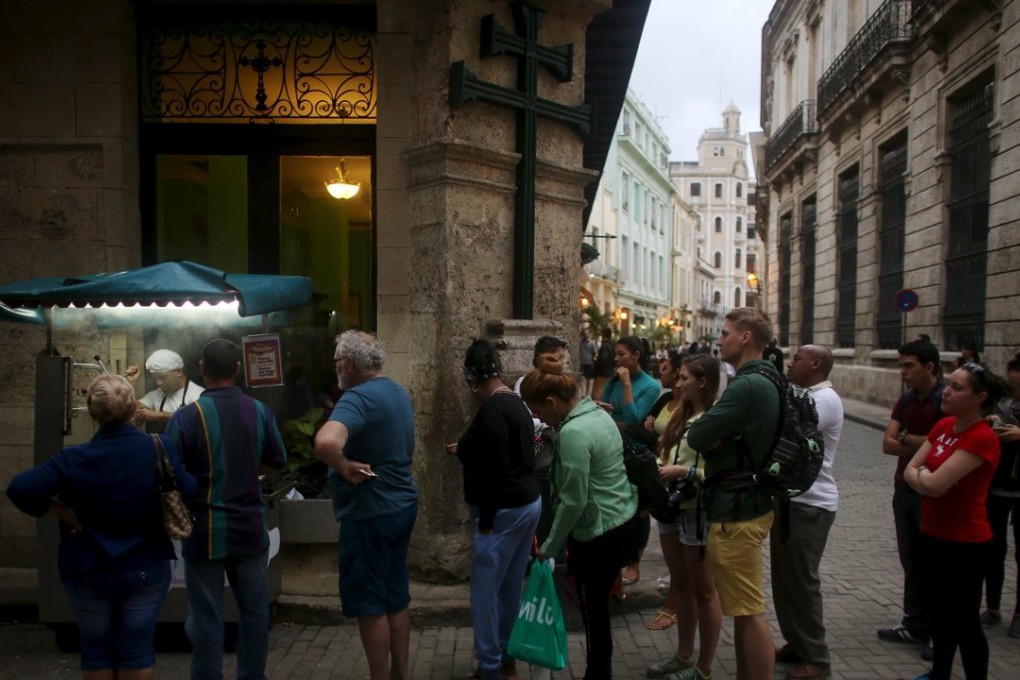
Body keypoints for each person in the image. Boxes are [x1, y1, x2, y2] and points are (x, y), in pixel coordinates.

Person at [7, 373, 196, 680]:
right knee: (136, 651)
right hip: (146, 564)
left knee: (95, 652)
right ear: (134, 406)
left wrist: (62, 512)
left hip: (86, 566)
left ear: (91, 411)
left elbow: (20, 489)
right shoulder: (159, 447)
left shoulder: (72, 458)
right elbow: (190, 490)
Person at [166, 339, 286, 680]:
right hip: (249, 530)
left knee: (205, 616)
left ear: (201, 369)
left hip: (204, 533)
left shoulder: (187, 418)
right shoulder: (260, 412)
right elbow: (278, 461)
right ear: (238, 369)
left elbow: (169, 471)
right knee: (254, 612)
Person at [521, 353, 641, 680]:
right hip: (618, 521)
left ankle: (597, 674)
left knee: (593, 615)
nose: (538, 418)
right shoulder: (597, 413)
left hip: (597, 534)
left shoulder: (573, 432)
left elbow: (573, 501)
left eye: (538, 411)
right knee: (598, 612)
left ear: (552, 402)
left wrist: (549, 546)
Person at [314, 331, 419, 680]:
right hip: (401, 504)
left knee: (370, 604)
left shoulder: (355, 398)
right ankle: (400, 674)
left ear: (348, 364)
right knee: (395, 595)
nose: (336, 370)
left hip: (370, 511)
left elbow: (327, 441)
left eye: (335, 363)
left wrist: (342, 466)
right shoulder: (396, 391)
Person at [686, 307, 781, 680]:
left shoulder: (747, 385)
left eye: (725, 333)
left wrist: (715, 435)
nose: (719, 339)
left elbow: (697, 434)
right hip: (748, 502)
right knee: (743, 610)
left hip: (737, 511)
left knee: (748, 610)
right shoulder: (768, 376)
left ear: (745, 338)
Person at [904, 362, 1005, 680]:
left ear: (980, 397)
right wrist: (925, 477)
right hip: (933, 534)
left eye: (958, 387)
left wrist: (924, 477)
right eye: (949, 383)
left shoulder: (982, 437)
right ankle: (939, 673)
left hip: (966, 544)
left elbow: (933, 484)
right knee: (940, 618)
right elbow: (912, 470)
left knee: (964, 623)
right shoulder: (944, 426)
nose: (946, 390)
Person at [448, 340, 541, 680]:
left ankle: (490, 667)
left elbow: (492, 471)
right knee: (510, 586)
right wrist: (467, 449)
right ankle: (506, 655)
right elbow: (512, 452)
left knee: (485, 594)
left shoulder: (490, 411)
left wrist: (485, 523)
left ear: (472, 380)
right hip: (527, 503)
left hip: (500, 512)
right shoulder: (515, 403)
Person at [645, 354, 722, 680]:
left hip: (696, 509)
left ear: (702, 382)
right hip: (670, 507)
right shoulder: (681, 414)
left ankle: (703, 667)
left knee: (703, 589)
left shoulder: (714, 419)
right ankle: (683, 655)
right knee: (681, 583)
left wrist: (685, 471)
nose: (677, 384)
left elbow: (722, 471)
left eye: (684, 378)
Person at [771, 345, 843, 680]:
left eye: (797, 358)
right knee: (786, 580)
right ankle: (796, 644)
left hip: (811, 503)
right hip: (793, 500)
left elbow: (788, 437)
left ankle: (817, 657)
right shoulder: (805, 396)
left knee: (802, 581)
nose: (790, 362)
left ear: (815, 363)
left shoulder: (823, 400)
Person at [878, 340, 944, 662]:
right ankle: (914, 622)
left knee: (935, 563)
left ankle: (938, 631)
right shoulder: (906, 399)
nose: (902, 372)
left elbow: (946, 449)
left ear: (929, 367)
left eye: (908, 366)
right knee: (910, 559)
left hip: (933, 493)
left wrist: (906, 439)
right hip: (904, 489)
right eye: (901, 365)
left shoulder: (945, 399)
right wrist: (923, 445)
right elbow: (888, 444)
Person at [599, 335, 660, 591]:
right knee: (616, 504)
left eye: (621, 353)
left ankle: (634, 563)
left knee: (639, 508)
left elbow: (635, 419)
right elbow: (604, 410)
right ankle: (615, 560)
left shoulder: (650, 385)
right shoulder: (612, 381)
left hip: (634, 454)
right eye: (616, 353)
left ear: (636, 356)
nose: (616, 358)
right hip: (611, 449)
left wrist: (626, 386)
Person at [639, 353, 687, 630]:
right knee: (672, 549)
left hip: (680, 485)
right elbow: (644, 428)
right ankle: (674, 603)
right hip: (661, 480)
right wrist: (657, 437)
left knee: (682, 553)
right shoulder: (665, 400)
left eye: (681, 376)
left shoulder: (692, 411)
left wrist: (657, 436)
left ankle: (674, 606)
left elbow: (677, 442)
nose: (675, 382)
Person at [982, 351, 1020, 637]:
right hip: (997, 484)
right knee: (993, 550)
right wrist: (991, 419)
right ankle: (992, 607)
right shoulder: (1002, 401)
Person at [125, 349, 204, 430]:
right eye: (155, 378)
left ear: (178, 371)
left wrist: (160, 415)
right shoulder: (157, 394)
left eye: (162, 377)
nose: (158, 383)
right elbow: (129, 411)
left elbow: (197, 419)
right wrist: (131, 384)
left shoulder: (198, 394)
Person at [591, 327, 616, 401]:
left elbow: (603, 359)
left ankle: (598, 410)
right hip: (610, 372)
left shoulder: (605, 345)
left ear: (603, 335)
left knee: (597, 394)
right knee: (606, 393)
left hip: (602, 373)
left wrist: (596, 365)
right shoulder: (613, 345)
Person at [580, 328, 597, 397]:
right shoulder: (580, 342)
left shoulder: (592, 343)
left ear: (588, 334)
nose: (585, 334)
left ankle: (587, 393)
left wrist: (594, 360)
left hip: (589, 363)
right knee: (582, 378)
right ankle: (583, 393)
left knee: (588, 379)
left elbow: (595, 353)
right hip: (581, 362)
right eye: (584, 333)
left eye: (586, 333)